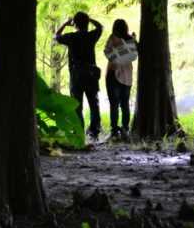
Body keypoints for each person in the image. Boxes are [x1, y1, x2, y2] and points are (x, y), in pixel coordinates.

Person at [56, 11, 103, 139]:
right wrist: (90, 19)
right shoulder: (91, 36)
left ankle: (79, 132)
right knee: (94, 103)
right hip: (91, 75)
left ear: (75, 24)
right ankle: (94, 132)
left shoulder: (71, 37)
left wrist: (66, 23)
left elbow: (57, 36)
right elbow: (100, 27)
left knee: (77, 105)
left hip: (76, 75)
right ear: (87, 23)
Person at [103, 19, 138, 140]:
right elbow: (134, 54)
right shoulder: (130, 39)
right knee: (124, 104)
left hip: (113, 74)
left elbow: (108, 53)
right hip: (126, 75)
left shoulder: (113, 38)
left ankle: (115, 131)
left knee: (115, 104)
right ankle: (124, 129)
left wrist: (118, 50)